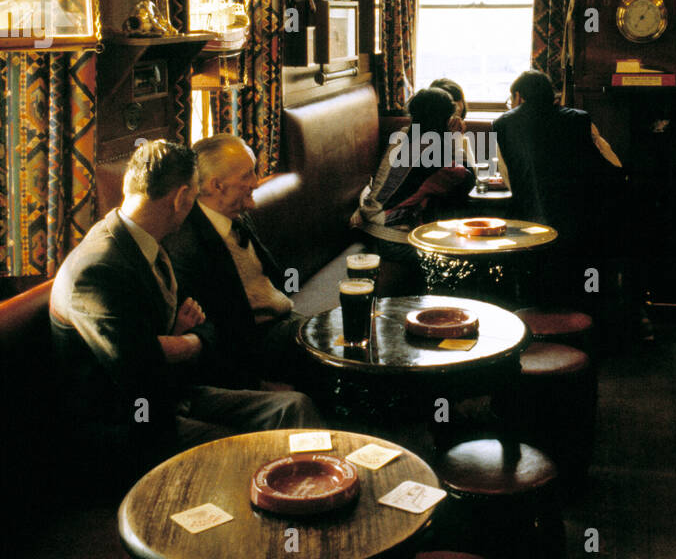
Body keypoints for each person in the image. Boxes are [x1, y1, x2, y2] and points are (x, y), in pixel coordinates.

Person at [50, 140, 320, 485]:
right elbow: (138, 368)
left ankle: (316, 495)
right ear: (180, 198)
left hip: (176, 392)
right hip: (131, 421)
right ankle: (288, 509)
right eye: (193, 197)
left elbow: (203, 327)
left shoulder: (147, 242)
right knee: (251, 452)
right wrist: (186, 343)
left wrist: (173, 341)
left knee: (293, 406)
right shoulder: (97, 268)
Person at [164, 134, 306, 389]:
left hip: (285, 321)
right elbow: (217, 333)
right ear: (217, 186)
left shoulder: (236, 214)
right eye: (247, 175)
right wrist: (257, 384)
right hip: (258, 343)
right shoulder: (187, 243)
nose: (255, 182)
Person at [492, 68, 628, 310]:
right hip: (582, 225)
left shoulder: (502, 124)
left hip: (531, 224)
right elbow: (614, 164)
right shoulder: (579, 119)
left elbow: (509, 179)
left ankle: (535, 318)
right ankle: (588, 316)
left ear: (519, 97)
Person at [351, 86, 474, 292]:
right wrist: (456, 137)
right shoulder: (437, 152)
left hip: (373, 226)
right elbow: (467, 180)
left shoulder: (402, 135)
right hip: (394, 239)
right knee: (460, 262)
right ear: (444, 118)